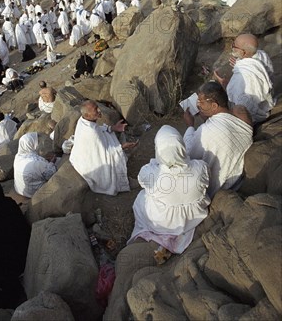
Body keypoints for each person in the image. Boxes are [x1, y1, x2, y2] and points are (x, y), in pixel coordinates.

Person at [128, 125, 210, 254]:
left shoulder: (149, 172)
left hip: (162, 220)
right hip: (192, 218)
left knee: (141, 197)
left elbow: (142, 182)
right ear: (181, 145)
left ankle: (157, 231)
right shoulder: (201, 167)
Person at [183, 81, 253, 198]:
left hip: (221, 188)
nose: (198, 105)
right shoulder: (240, 118)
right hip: (238, 180)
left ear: (214, 106)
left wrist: (190, 125)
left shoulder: (206, 131)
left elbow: (188, 152)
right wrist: (207, 116)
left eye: (201, 102)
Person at [70, 100, 138, 196]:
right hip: (91, 163)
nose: (99, 110)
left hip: (83, 156)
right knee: (115, 157)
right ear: (87, 115)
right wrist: (122, 147)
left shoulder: (83, 121)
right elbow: (106, 155)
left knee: (111, 135)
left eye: (97, 107)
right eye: (95, 109)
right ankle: (124, 181)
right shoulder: (91, 132)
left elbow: (99, 130)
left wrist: (113, 128)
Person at [214, 34, 275, 123]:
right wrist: (239, 63)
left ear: (243, 53)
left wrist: (225, 85)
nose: (232, 47)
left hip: (253, 117)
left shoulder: (241, 78)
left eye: (234, 45)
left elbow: (240, 107)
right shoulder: (262, 55)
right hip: (265, 106)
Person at [13, 133, 57, 198]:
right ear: (32, 144)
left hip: (20, 190)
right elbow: (51, 173)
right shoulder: (38, 162)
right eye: (37, 142)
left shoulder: (17, 157)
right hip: (34, 194)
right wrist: (52, 162)